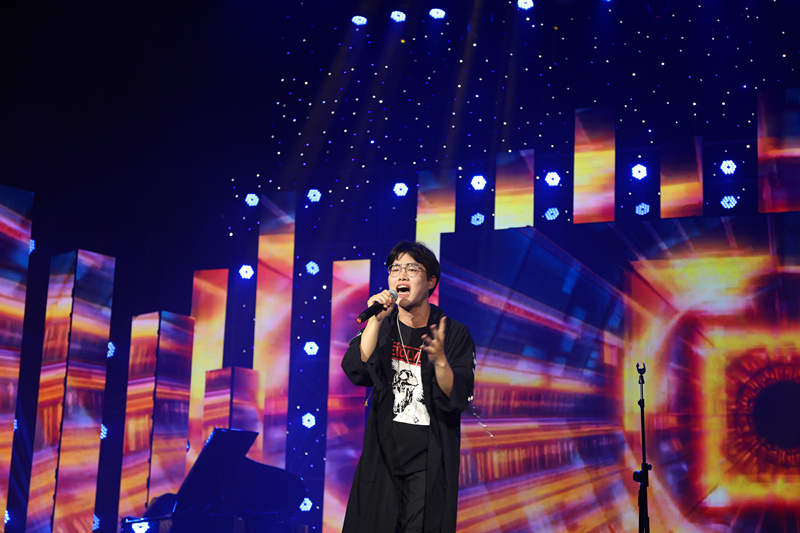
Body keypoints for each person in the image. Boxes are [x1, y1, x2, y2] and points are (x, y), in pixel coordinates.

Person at [341, 240, 476, 533]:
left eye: (412, 269)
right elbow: (357, 370)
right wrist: (375, 322)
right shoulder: (384, 325)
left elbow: (458, 397)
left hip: (428, 461)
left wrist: (440, 361)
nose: (401, 275)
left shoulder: (452, 333)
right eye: (395, 269)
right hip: (383, 456)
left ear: (431, 282)